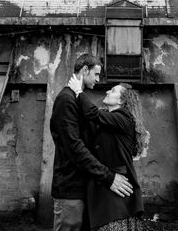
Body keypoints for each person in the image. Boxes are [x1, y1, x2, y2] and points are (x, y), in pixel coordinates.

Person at [50, 54, 134, 231]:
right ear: (85, 70)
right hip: (69, 187)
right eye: (96, 74)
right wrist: (108, 176)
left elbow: (93, 123)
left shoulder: (79, 100)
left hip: (85, 187)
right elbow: (74, 147)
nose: (98, 80)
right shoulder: (66, 99)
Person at [67, 76, 146, 231]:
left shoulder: (124, 118)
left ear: (122, 101)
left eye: (113, 90)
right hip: (104, 184)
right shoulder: (107, 119)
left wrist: (78, 90)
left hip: (117, 189)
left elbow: (92, 113)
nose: (108, 91)